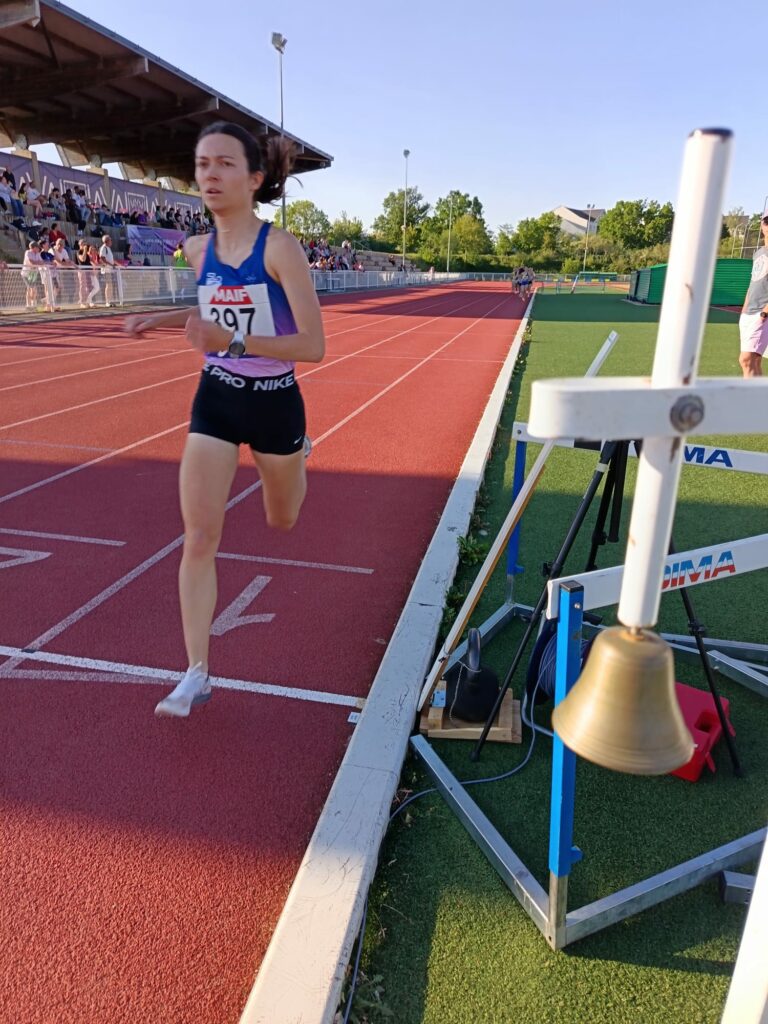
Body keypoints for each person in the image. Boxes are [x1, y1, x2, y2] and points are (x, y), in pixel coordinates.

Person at [124, 120, 325, 718]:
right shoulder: (196, 249)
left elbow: (313, 345)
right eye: (202, 163)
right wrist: (160, 320)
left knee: (282, 518)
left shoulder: (280, 249)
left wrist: (232, 342)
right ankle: (196, 672)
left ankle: (298, 453)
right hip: (216, 397)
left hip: (274, 400)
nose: (209, 174)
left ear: (254, 178)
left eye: (224, 164)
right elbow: (215, 304)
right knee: (199, 536)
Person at [738, 214, 768, 378]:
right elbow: (753, 282)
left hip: (763, 313)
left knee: (746, 360)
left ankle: (748, 394)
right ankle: (759, 394)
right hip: (748, 313)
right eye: (767, 222)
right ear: (762, 225)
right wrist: (744, 310)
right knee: (754, 362)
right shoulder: (758, 253)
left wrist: (765, 312)